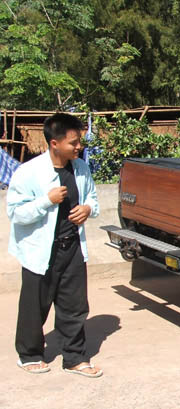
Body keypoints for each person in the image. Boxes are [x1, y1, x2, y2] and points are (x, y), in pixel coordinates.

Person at [7, 113, 102, 377]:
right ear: (54, 143)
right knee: (35, 305)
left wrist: (87, 208)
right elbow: (16, 213)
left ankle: (74, 358)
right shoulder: (29, 172)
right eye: (73, 142)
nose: (79, 147)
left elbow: (92, 198)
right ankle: (29, 355)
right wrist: (46, 201)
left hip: (72, 247)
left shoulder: (80, 168)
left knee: (75, 306)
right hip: (41, 249)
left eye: (79, 141)